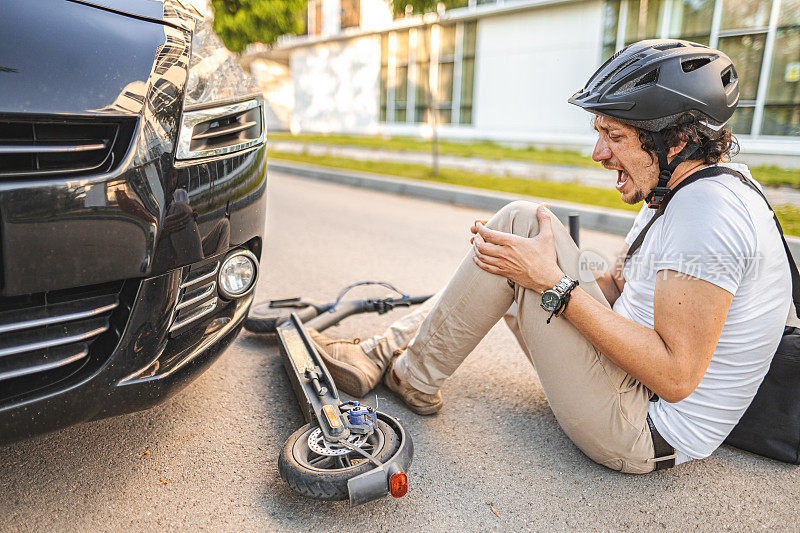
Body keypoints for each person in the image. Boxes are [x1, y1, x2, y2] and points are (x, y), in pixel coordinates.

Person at [308, 40, 793, 473]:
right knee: (523, 238)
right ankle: (388, 354)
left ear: (677, 140)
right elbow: (617, 286)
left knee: (521, 225)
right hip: (620, 383)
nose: (598, 153)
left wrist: (553, 283)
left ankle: (404, 369)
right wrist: (548, 260)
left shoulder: (708, 214)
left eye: (616, 137)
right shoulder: (679, 192)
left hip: (641, 427)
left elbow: (675, 376)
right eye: (599, 132)